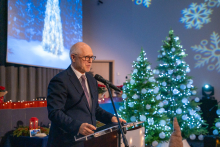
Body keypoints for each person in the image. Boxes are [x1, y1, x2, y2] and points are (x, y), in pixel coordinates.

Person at [47, 42, 126, 147]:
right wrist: (77, 127)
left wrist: (111, 118)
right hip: (67, 142)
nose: (90, 60)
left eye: (92, 57)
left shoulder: (91, 80)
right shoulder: (60, 80)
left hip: (89, 141)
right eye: (86, 57)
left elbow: (95, 109)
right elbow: (55, 112)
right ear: (73, 57)